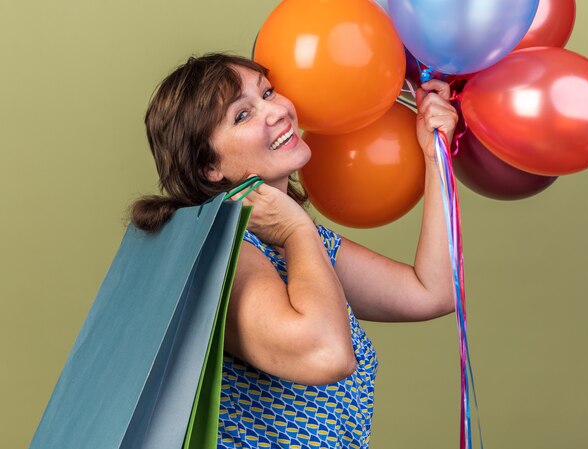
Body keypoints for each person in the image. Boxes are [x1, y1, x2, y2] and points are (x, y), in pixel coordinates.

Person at [131, 53, 458, 448]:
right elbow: (328, 356)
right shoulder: (226, 256)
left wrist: (434, 155)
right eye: (242, 115)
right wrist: (296, 230)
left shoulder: (296, 243)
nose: (275, 111)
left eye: (267, 92)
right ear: (208, 168)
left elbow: (433, 292)